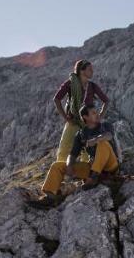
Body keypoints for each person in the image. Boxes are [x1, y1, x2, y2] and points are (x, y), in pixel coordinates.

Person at [39, 59, 110, 200]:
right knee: (64, 150)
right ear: (82, 71)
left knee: (86, 152)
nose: (92, 71)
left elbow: (106, 101)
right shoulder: (71, 83)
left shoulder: (93, 86)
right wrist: (66, 117)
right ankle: (60, 180)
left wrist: (99, 116)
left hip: (87, 124)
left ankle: (86, 178)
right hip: (72, 123)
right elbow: (57, 99)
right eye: (89, 69)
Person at [64, 105, 121, 187]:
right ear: (85, 117)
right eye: (94, 113)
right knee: (58, 166)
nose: (97, 114)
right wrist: (69, 165)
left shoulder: (106, 125)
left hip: (111, 165)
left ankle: (94, 177)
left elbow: (109, 135)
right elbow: (73, 154)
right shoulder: (81, 134)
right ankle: (51, 193)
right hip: (92, 166)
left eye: (96, 112)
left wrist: (96, 140)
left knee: (102, 143)